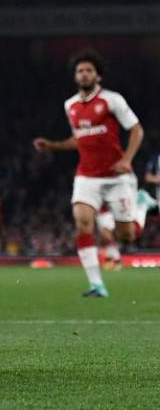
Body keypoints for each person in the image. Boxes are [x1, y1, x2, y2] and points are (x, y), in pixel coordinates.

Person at [33, 51, 144, 297]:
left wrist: (126, 160)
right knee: (82, 222)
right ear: (75, 76)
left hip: (117, 177)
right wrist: (52, 145)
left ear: (98, 75)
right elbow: (80, 139)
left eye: (88, 70)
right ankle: (97, 284)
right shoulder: (70, 105)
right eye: (80, 71)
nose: (83, 74)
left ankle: (143, 207)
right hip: (87, 176)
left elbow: (136, 130)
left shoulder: (112, 100)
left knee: (128, 236)